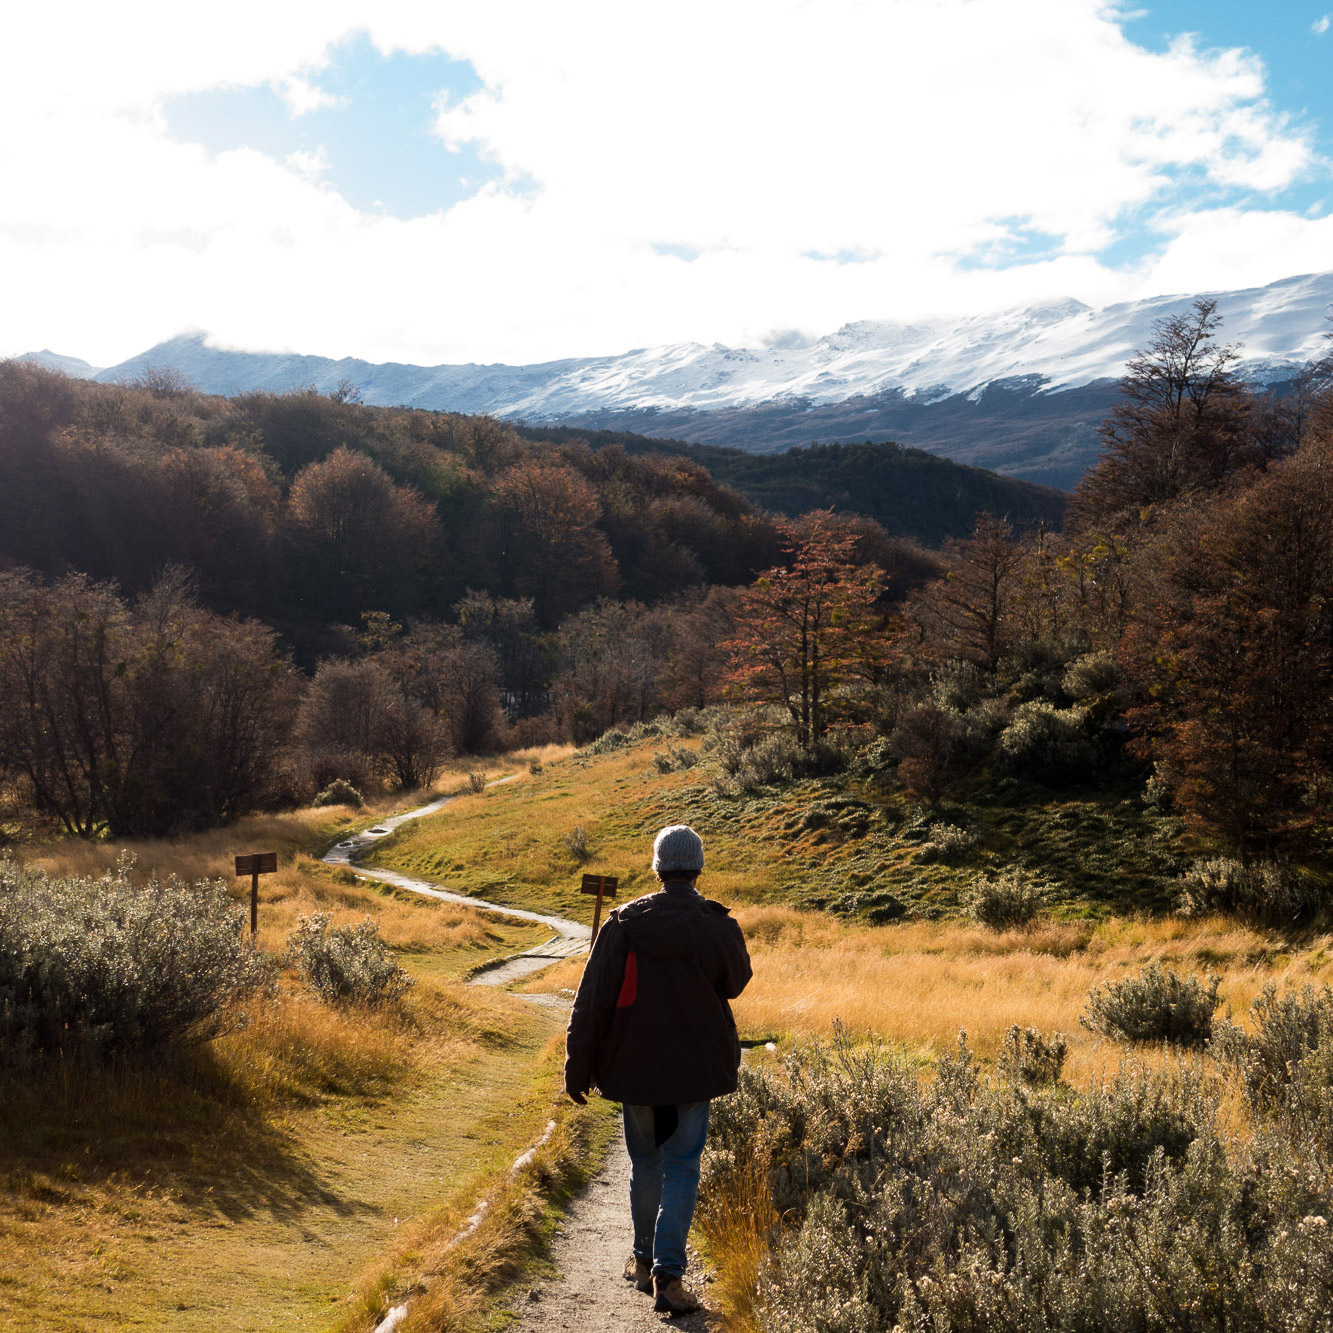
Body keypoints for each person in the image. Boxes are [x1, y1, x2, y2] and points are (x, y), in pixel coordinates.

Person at [564, 824, 752, 1316]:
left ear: (658, 866)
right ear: (697, 867)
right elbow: (735, 984)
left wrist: (577, 1066)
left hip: (635, 1068)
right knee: (683, 1165)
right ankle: (669, 1276)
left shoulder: (623, 925)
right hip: (696, 1069)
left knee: (645, 1163)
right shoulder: (716, 925)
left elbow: (592, 1001)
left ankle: (645, 1263)